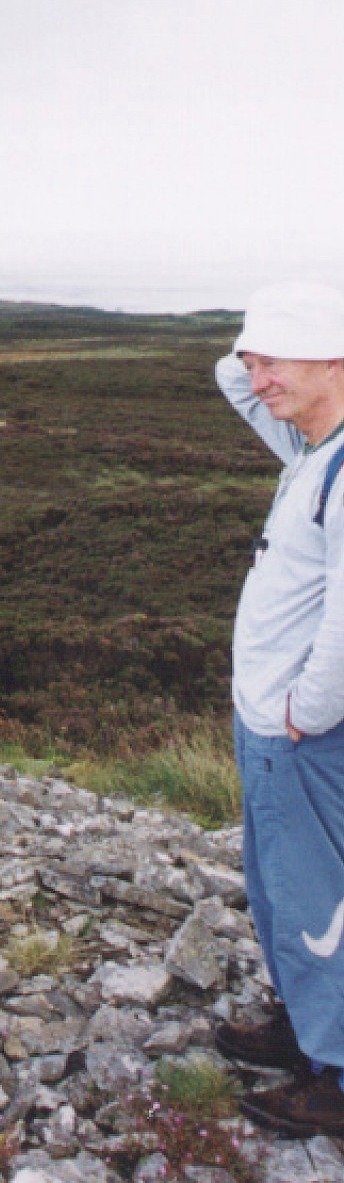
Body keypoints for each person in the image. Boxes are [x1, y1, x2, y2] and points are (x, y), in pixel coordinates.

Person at [206, 283, 344, 1138]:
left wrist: (307, 710)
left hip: (299, 731)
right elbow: (227, 375)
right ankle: (304, 1025)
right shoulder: (309, 446)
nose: (258, 380)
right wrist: (271, 339)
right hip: (266, 722)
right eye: (258, 362)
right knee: (275, 890)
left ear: (335, 359)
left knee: (314, 900)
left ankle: (334, 1073)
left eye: (277, 362)